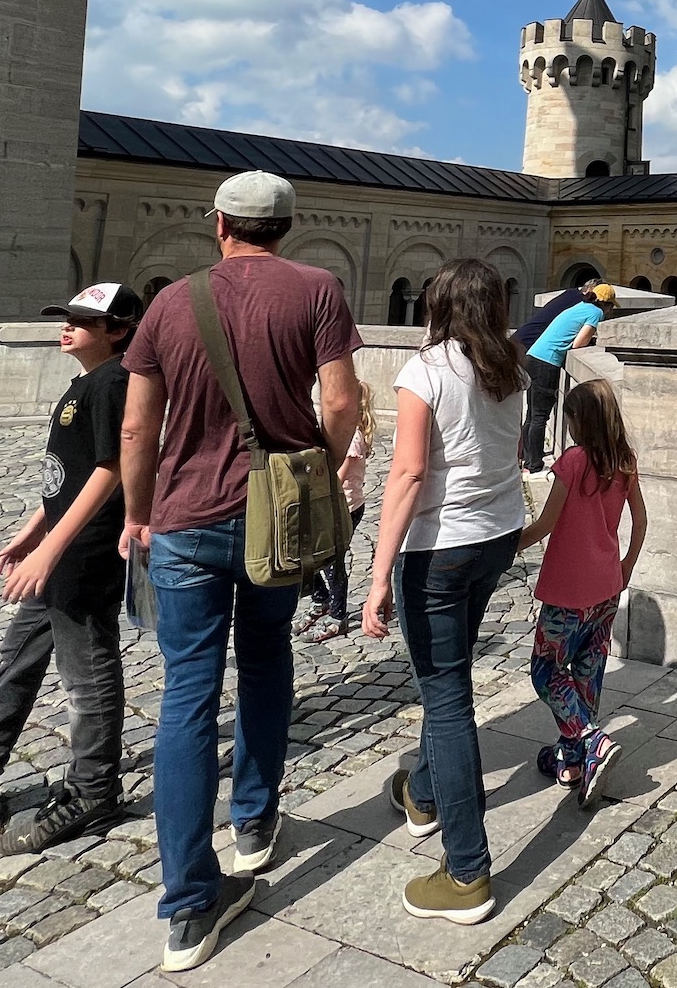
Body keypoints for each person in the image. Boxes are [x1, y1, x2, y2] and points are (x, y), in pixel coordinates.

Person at [118, 172, 364, 974]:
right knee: (265, 663)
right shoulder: (318, 289)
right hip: (276, 519)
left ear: (218, 224)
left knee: (188, 693)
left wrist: (136, 512)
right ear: (287, 226)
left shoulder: (170, 302)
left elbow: (135, 424)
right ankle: (254, 824)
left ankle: (189, 907)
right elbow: (340, 404)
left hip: (184, 521)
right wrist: (318, 473)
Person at [0, 281, 142, 852]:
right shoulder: (86, 382)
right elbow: (63, 478)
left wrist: (51, 548)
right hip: (60, 545)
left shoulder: (115, 383)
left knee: (87, 670)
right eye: (65, 318)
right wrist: (32, 531)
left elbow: (111, 469)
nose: (66, 327)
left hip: (87, 551)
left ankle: (95, 787)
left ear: (117, 331)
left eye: (82, 322)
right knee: (18, 658)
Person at [362, 257, 528, 926]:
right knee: (449, 676)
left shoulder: (426, 370)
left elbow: (405, 475)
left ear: (438, 306)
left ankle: (467, 873)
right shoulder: (510, 369)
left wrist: (377, 577)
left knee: (449, 698)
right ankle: (425, 794)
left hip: (440, 549)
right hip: (494, 538)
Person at [516, 377, 648, 804]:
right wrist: (626, 564)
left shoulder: (573, 462)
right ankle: (571, 760)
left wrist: (505, 545)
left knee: (546, 671)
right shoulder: (624, 461)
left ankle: (592, 741)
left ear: (580, 421)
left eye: (569, 417)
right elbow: (641, 521)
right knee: (587, 674)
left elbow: (545, 524)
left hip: (567, 591)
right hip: (607, 586)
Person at [300, 380, 376, 641]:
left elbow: (335, 477)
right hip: (329, 507)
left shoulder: (352, 438)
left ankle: (338, 616)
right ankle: (320, 600)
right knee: (305, 556)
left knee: (333, 562)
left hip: (346, 508)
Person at [518, 282, 614, 473]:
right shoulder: (596, 313)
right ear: (607, 304)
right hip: (547, 362)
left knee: (532, 414)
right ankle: (534, 465)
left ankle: (528, 459)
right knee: (540, 416)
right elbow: (578, 344)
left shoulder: (579, 306)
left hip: (534, 356)